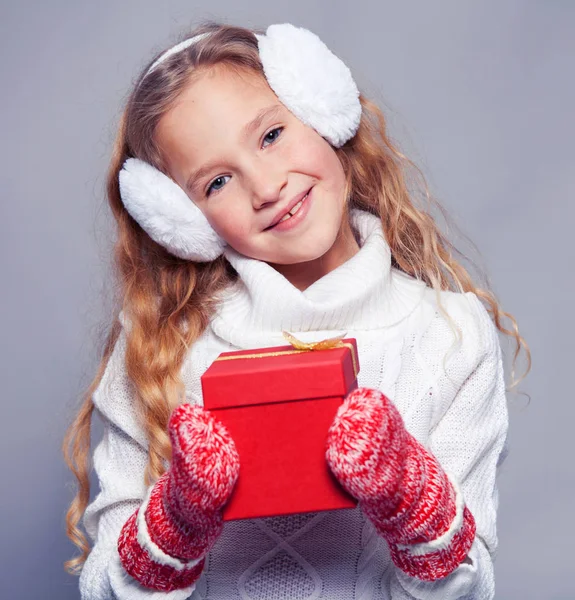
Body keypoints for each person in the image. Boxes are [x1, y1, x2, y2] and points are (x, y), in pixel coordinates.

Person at [62, 21, 531, 600]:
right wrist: (173, 528)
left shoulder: (452, 337)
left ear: (323, 109)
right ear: (182, 224)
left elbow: (472, 590)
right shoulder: (164, 347)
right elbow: (105, 589)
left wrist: (414, 501)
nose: (265, 186)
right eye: (216, 182)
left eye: (271, 135)